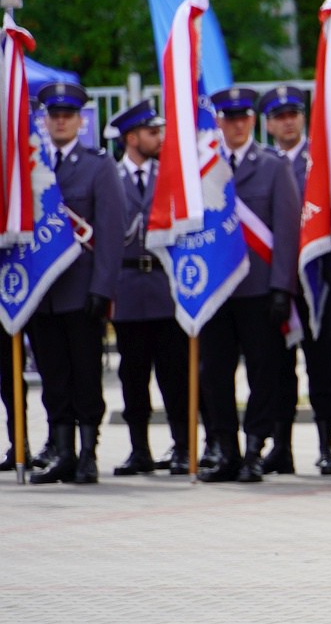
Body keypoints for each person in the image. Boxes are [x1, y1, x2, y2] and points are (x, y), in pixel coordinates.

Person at [198, 86, 300, 483]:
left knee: (265, 371)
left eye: (243, 117)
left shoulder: (273, 166)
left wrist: (281, 287)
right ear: (218, 122)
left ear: (253, 121)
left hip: (259, 291)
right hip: (217, 289)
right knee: (214, 373)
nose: (237, 125)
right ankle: (225, 449)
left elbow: (287, 230)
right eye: (229, 118)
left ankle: (255, 448)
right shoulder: (204, 166)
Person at [28, 82, 124, 486]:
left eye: (68, 114)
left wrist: (102, 288)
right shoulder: (31, 168)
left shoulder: (98, 165)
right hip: (41, 293)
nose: (61, 121)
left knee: (86, 375)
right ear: (45, 120)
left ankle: (87, 453)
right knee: (53, 377)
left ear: (81, 120)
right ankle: (62, 450)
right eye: (55, 115)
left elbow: (111, 230)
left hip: (82, 291)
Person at [258, 85, 331, 475]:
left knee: (323, 364)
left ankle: (329, 443)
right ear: (268, 124)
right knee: (275, 367)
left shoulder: (320, 161)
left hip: (316, 280)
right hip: (275, 280)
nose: (287, 122)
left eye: (293, 113)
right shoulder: (264, 163)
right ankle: (281, 445)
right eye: (278, 116)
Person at [106, 99, 190, 476]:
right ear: (131, 137)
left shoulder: (171, 175)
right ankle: (139, 449)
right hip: (126, 288)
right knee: (133, 376)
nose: (159, 137)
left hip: (165, 287)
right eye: (152, 132)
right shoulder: (111, 176)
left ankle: (183, 447)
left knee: (175, 374)